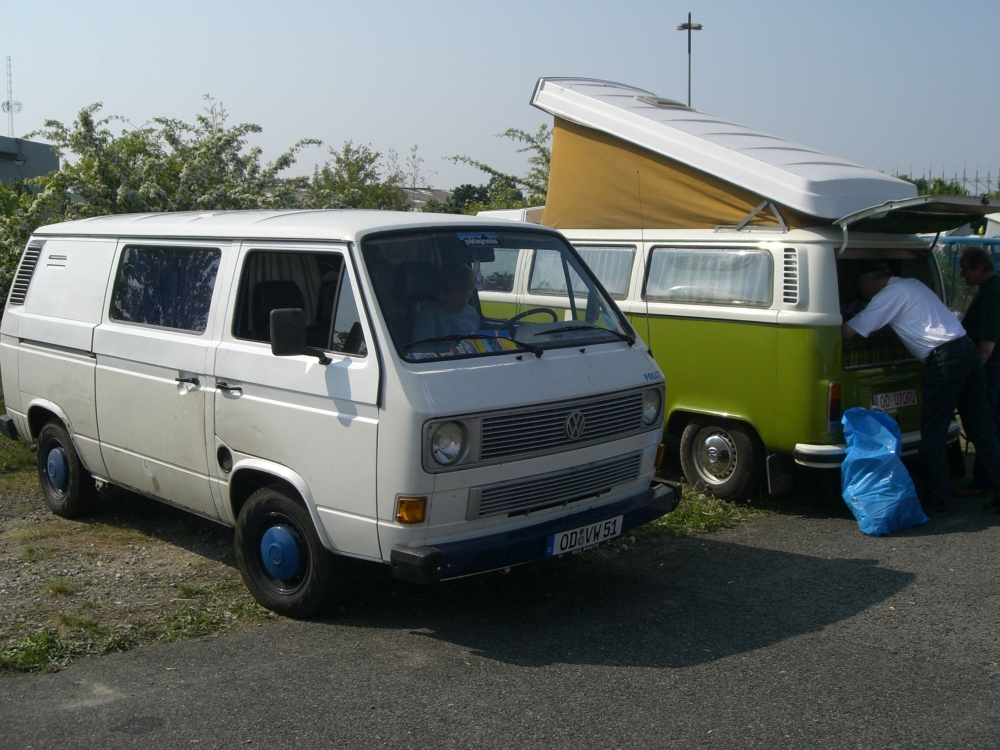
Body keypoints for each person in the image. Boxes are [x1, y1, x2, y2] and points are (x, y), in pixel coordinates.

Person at [842, 266, 1000, 516]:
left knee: (933, 432)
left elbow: (849, 331)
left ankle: (937, 499)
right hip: (966, 350)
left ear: (869, 281)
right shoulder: (912, 284)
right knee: (981, 427)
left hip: (945, 359)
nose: (859, 292)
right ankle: (991, 485)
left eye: (859, 285)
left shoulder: (887, 295)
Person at [955, 246, 1000, 497]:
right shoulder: (992, 289)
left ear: (979, 267)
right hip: (993, 369)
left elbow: (987, 344)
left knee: (983, 427)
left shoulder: (990, 295)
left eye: (965, 269)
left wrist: (973, 374)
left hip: (989, 370)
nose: (962, 275)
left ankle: (986, 482)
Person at [411, 263, 481, 345]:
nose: (464, 304)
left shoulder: (471, 313)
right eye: (458, 299)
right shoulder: (429, 315)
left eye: (467, 297)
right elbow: (422, 350)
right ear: (443, 293)